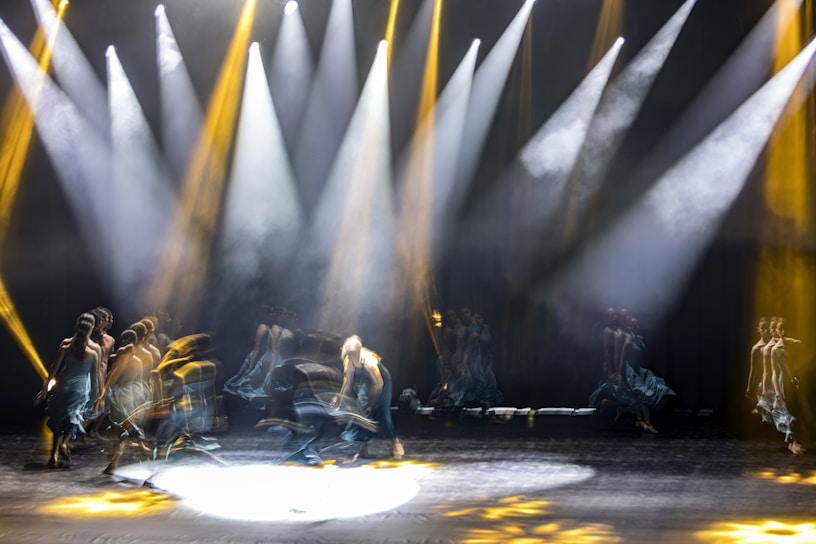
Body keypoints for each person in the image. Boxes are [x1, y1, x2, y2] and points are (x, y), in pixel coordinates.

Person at [35, 313, 101, 467]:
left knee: (59, 419)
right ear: (91, 329)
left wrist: (44, 389)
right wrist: (98, 395)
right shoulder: (94, 351)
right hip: (80, 389)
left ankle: (54, 454)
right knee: (73, 418)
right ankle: (65, 443)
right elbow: (95, 376)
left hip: (63, 386)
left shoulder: (66, 346)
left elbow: (53, 370)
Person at [333, 335, 403, 459]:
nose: (350, 356)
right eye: (349, 354)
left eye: (352, 354)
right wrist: (340, 402)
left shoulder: (369, 363)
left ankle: (395, 443)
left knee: (381, 412)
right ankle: (362, 448)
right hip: (366, 381)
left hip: (382, 383)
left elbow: (378, 386)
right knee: (360, 411)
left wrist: (371, 405)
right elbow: (347, 385)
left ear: (358, 351)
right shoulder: (349, 361)